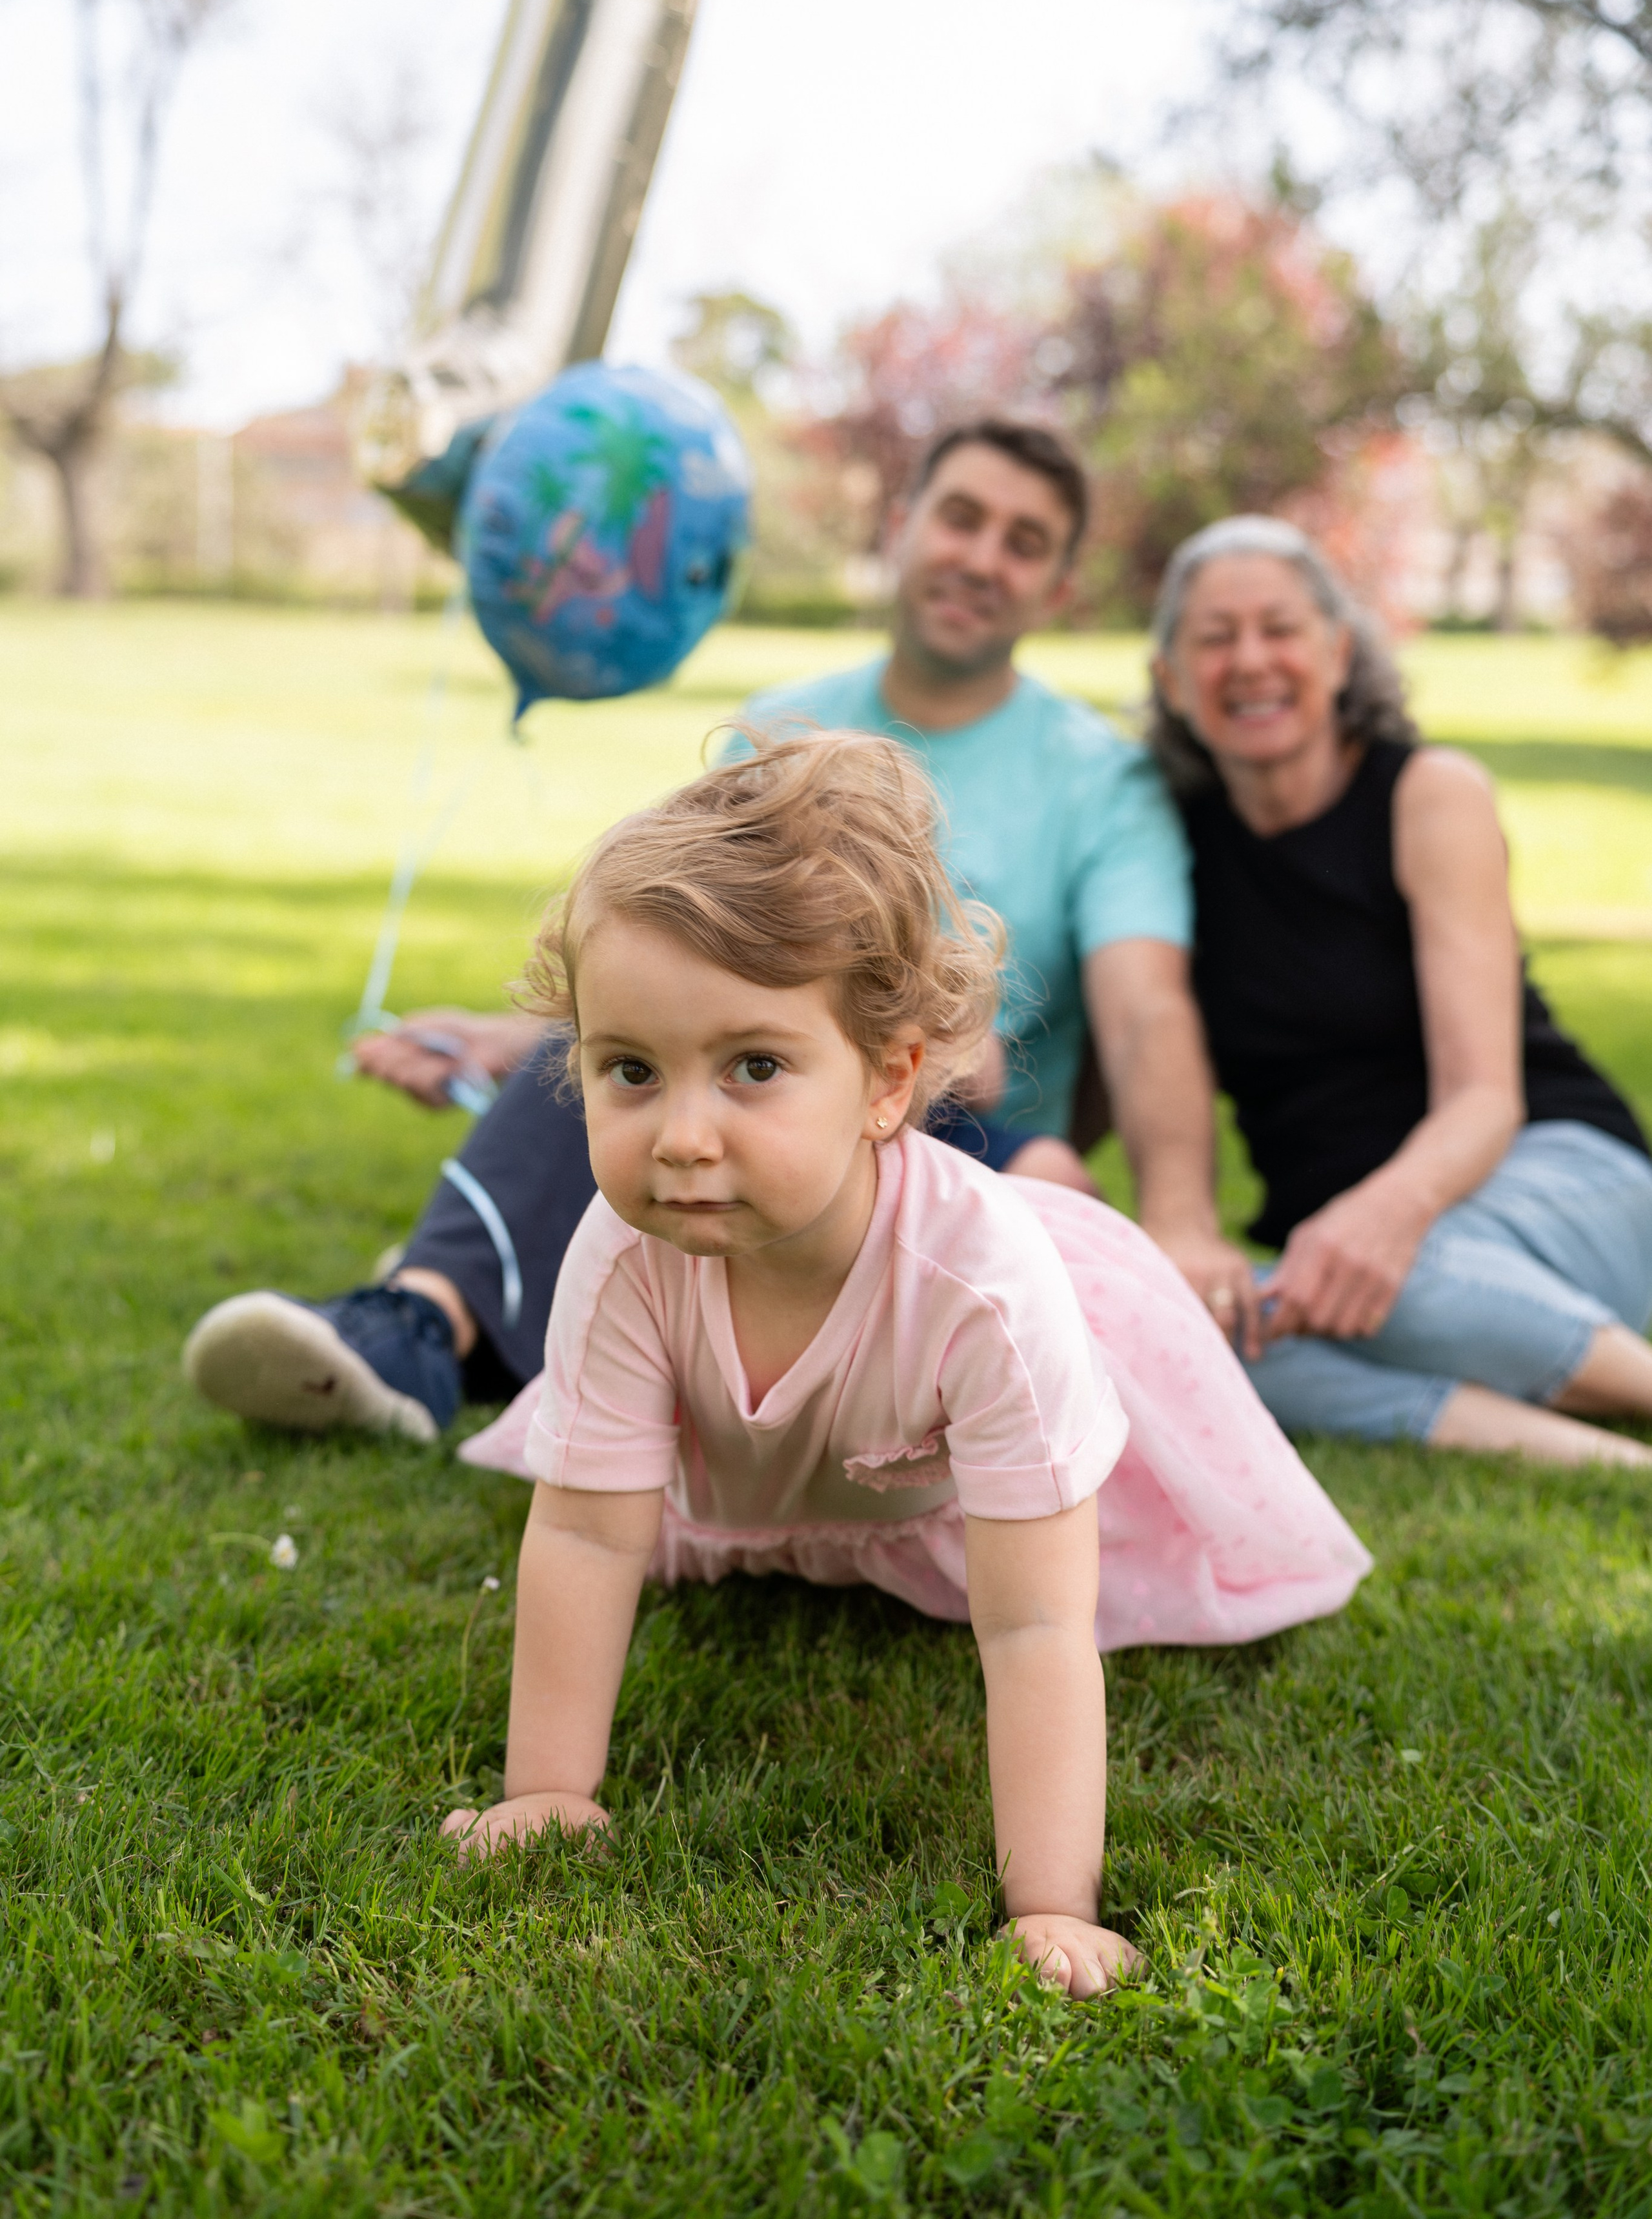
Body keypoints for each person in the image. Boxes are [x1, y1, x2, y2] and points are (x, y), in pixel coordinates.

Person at [439, 729, 1371, 1997]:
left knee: (1048, 1568)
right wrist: (546, 1790)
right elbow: (593, 1537)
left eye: (753, 1067)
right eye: (630, 1071)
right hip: (762, 1481)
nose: (681, 1136)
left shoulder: (978, 1284)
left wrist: (1050, 1906)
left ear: (886, 1082)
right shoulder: (625, 1250)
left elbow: (1036, 1616)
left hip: (934, 1491)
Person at [185, 418, 1250, 1441]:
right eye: (961, 517)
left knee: (995, 1164)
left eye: (1024, 543)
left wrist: (1182, 1221)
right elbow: (678, 964)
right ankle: (416, 1322)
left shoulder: (1100, 779)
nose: (981, 556)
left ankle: (487, 1320)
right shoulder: (781, 721)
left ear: (1059, 588)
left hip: (958, 1140)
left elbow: (1147, 1008)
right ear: (903, 526)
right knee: (630, 1068)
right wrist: (510, 1037)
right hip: (749, 1081)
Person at [1149, 514, 1652, 1467]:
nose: (1250, 660)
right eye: (1214, 638)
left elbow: (1485, 1098)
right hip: (1342, 1247)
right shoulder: (1166, 844)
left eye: (1281, 628)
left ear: (1339, 652)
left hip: (1550, 1172)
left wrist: (1383, 1215)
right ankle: (1603, 1454)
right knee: (1197, 1339)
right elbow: (1128, 1046)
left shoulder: (1429, 794)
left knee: (1408, 1281)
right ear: (1171, 680)